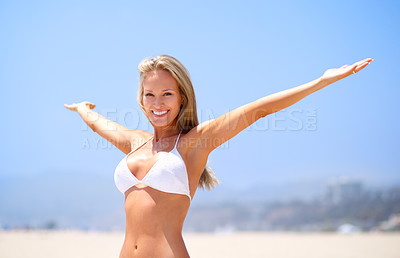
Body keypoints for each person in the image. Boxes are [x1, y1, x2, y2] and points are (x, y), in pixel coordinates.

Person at [64, 55, 373, 257]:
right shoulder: (136, 143)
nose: (158, 102)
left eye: (167, 93)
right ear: (141, 100)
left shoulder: (193, 143)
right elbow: (97, 125)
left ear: (182, 97)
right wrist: (82, 110)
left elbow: (256, 110)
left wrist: (321, 81)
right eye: (150, 94)